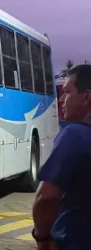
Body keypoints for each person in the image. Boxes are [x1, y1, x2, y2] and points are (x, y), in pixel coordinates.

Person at [33, 64, 91, 250]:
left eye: (67, 92)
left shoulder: (74, 135)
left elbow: (46, 198)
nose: (61, 100)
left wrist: (42, 238)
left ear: (87, 97)